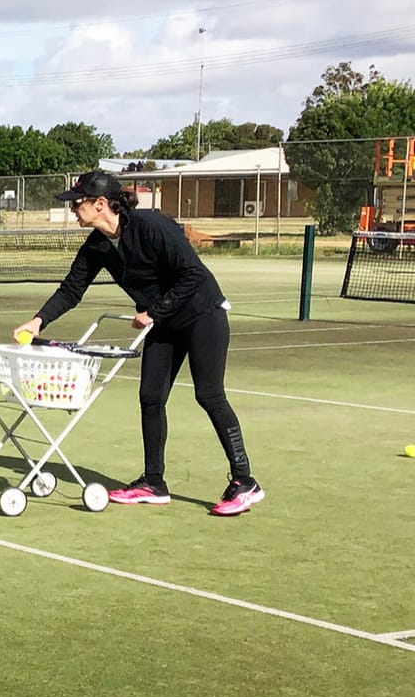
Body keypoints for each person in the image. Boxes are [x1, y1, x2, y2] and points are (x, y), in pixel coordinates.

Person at [13, 170, 263, 515]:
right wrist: (38, 320)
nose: (73, 210)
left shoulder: (152, 226)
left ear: (101, 204)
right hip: (164, 322)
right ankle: (154, 482)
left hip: (203, 314)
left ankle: (244, 481)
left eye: (78, 203)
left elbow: (193, 273)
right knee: (151, 397)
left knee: (209, 394)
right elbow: (71, 290)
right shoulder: (97, 246)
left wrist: (155, 311)